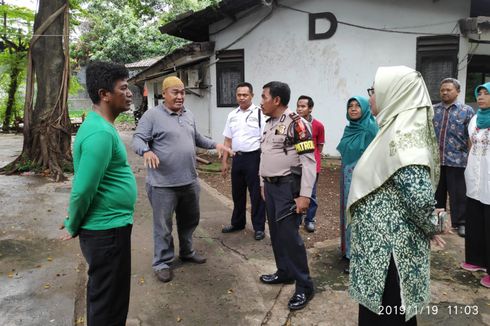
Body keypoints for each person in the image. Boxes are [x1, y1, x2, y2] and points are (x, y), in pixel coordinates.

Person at [346, 66, 446, 325]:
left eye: (374, 91)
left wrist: (433, 225)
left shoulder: (405, 140)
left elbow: (419, 198)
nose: (371, 97)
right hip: (382, 247)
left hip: (391, 254)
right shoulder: (394, 130)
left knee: (389, 312)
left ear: (395, 94)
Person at [132, 76, 232, 283]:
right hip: (162, 184)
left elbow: (197, 138)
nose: (180, 96)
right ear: (164, 94)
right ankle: (162, 262)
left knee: (189, 221)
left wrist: (216, 145)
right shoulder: (152, 116)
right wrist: (146, 151)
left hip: (189, 181)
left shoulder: (188, 115)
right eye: (175, 92)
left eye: (182, 92)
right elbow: (138, 138)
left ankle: (186, 252)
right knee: (163, 225)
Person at [61, 61, 137, 326]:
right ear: (105, 94)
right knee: (109, 307)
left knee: (108, 300)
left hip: (110, 230)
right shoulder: (100, 133)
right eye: (123, 88)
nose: (129, 93)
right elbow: (83, 189)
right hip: (107, 233)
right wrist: (72, 224)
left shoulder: (101, 126)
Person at [259, 81, 316, 310]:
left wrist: (304, 195)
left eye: (263, 97)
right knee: (276, 233)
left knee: (290, 238)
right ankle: (284, 272)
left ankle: (304, 285)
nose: (260, 102)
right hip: (271, 187)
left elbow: (309, 162)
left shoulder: (297, 125)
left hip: (287, 188)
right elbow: (265, 154)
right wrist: (262, 182)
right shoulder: (269, 123)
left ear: (276, 100)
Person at [221, 82, 266, 240]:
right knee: (237, 194)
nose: (241, 98)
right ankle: (238, 222)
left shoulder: (260, 114)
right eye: (239, 95)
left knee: (256, 196)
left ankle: (259, 227)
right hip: (237, 158)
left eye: (245, 95)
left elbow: (265, 140)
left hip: (254, 158)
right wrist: (224, 162)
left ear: (252, 96)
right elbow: (227, 140)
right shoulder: (232, 115)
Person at [336, 96, 378, 262]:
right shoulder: (349, 128)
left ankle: (359, 254)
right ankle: (348, 249)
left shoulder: (371, 129)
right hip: (347, 175)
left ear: (365, 108)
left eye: (357, 106)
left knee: (359, 214)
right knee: (348, 212)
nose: (353, 109)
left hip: (363, 178)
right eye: (350, 106)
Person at [433, 78, 474, 237]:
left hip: (458, 160)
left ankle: (461, 223)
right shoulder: (434, 109)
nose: (444, 92)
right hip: (437, 160)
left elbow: (470, 136)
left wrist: (470, 158)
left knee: (458, 195)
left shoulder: (466, 110)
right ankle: (437, 223)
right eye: (442, 89)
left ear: (457, 91)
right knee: (437, 194)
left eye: (448, 90)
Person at [461, 82, 490, 288]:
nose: (480, 97)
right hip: (475, 176)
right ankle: (477, 259)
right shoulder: (474, 120)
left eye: (486, 93)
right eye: (478, 93)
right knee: (475, 219)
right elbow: (471, 145)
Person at [296, 95, 325, 232]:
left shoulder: (318, 125)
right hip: (297, 165)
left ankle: (310, 219)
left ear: (310, 109)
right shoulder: (294, 123)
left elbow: (319, 146)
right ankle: (297, 219)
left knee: (311, 194)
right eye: (298, 106)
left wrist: (314, 161)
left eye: (303, 106)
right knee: (297, 193)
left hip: (312, 166)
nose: (300, 109)